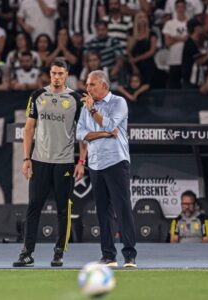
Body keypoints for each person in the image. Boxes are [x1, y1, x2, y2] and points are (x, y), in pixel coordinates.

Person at [13, 59, 86, 267]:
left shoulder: (75, 99)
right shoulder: (37, 96)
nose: (56, 77)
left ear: (66, 75)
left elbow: (82, 135)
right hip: (39, 161)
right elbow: (29, 129)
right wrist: (26, 159)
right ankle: (27, 252)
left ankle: (58, 252)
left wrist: (81, 161)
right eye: (53, 73)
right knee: (33, 208)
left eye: (60, 74)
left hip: (64, 163)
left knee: (63, 209)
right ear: (49, 74)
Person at [76, 70, 137, 268]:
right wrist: (103, 133)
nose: (87, 89)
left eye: (92, 85)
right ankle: (109, 255)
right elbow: (80, 134)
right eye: (87, 85)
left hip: (116, 161)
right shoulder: (86, 107)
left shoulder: (118, 102)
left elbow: (111, 124)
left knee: (123, 208)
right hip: (95, 163)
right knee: (103, 211)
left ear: (104, 85)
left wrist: (94, 111)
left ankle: (129, 255)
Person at [182, 18, 208, 88]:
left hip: (198, 79)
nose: (202, 28)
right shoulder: (190, 43)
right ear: (196, 28)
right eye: (200, 26)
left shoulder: (198, 42)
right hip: (190, 81)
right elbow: (199, 61)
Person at [162, 0, 188, 89]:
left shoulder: (190, 23)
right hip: (174, 59)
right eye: (178, 7)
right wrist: (182, 38)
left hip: (187, 59)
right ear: (175, 8)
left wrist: (174, 37)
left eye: (182, 7)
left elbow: (191, 40)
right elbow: (167, 43)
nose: (180, 9)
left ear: (185, 8)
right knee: (174, 86)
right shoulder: (169, 24)